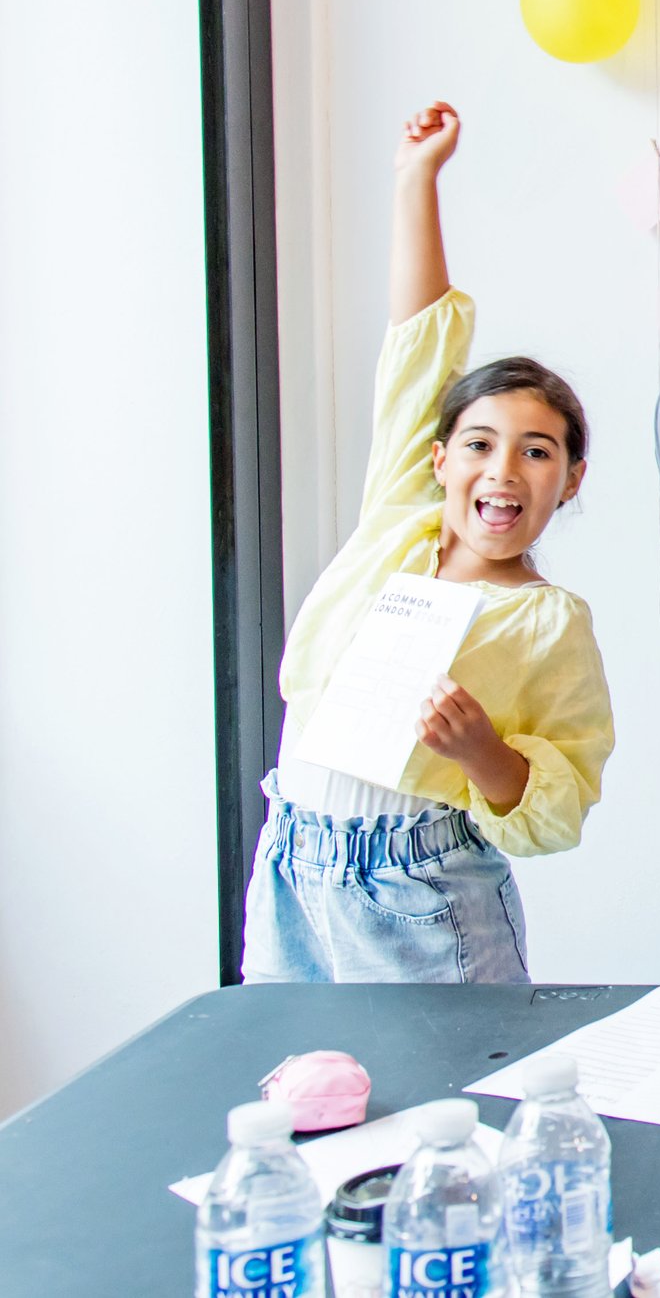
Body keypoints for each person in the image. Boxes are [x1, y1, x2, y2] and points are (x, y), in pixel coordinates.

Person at [244, 102, 612, 983]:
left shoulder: (547, 621)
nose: (506, 471)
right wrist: (418, 179)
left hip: (419, 885)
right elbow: (418, 347)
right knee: (302, 1090)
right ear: (439, 460)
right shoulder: (399, 520)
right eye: (481, 445)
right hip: (293, 862)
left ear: (570, 481)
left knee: (449, 1098)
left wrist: (483, 750)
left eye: (538, 452)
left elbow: (560, 809)